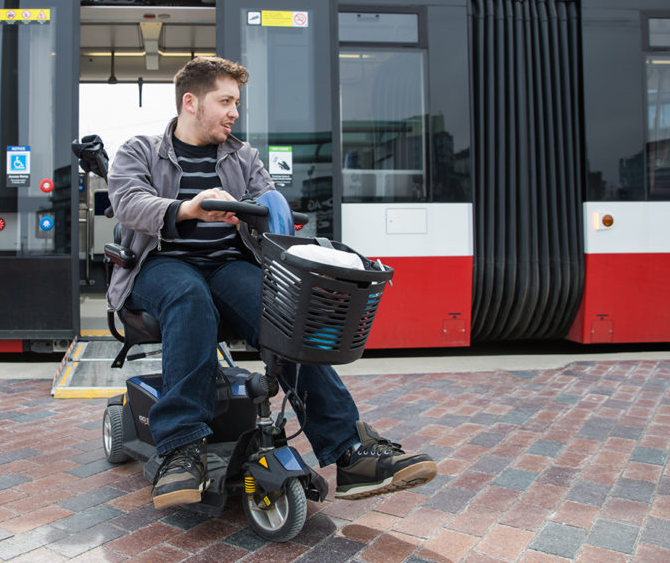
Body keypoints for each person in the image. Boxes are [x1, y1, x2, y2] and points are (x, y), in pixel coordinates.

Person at [107, 56, 437, 509]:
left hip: (227, 265)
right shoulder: (140, 150)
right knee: (189, 295)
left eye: (236, 103)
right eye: (225, 101)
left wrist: (268, 206)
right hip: (161, 264)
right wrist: (189, 207)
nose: (234, 113)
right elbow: (127, 202)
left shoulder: (244, 157)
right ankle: (181, 447)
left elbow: (267, 204)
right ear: (191, 101)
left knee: (287, 311)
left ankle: (349, 451)